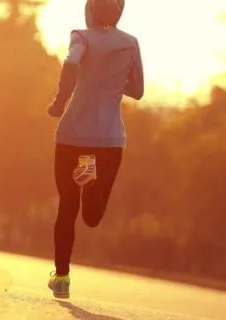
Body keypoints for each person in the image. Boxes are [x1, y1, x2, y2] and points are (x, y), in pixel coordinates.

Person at [47, 0, 144, 299]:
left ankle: (61, 278)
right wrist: (112, 81)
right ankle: (90, 181)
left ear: (89, 9)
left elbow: (72, 62)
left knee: (67, 208)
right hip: (109, 139)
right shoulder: (130, 43)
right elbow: (138, 91)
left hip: (73, 134)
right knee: (93, 216)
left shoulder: (81, 36)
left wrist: (60, 101)